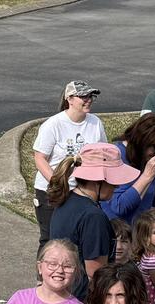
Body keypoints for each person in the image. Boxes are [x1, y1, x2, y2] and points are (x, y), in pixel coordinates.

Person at [45, 142, 139, 299]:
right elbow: (97, 274)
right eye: (114, 181)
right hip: (82, 303)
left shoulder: (66, 201)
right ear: (99, 181)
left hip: (62, 295)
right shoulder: (94, 217)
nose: (117, 186)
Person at [30, 81, 106, 243]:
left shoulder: (95, 123)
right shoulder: (53, 124)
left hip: (81, 192)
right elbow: (39, 158)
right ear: (69, 99)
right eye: (83, 96)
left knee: (74, 240)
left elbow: (103, 152)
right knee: (51, 240)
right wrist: (58, 183)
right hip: (52, 193)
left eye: (90, 96)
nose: (89, 100)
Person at [103, 113, 155, 226]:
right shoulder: (116, 157)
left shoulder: (145, 157)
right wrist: (147, 176)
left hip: (139, 234)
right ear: (143, 140)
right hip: (118, 235)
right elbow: (119, 207)